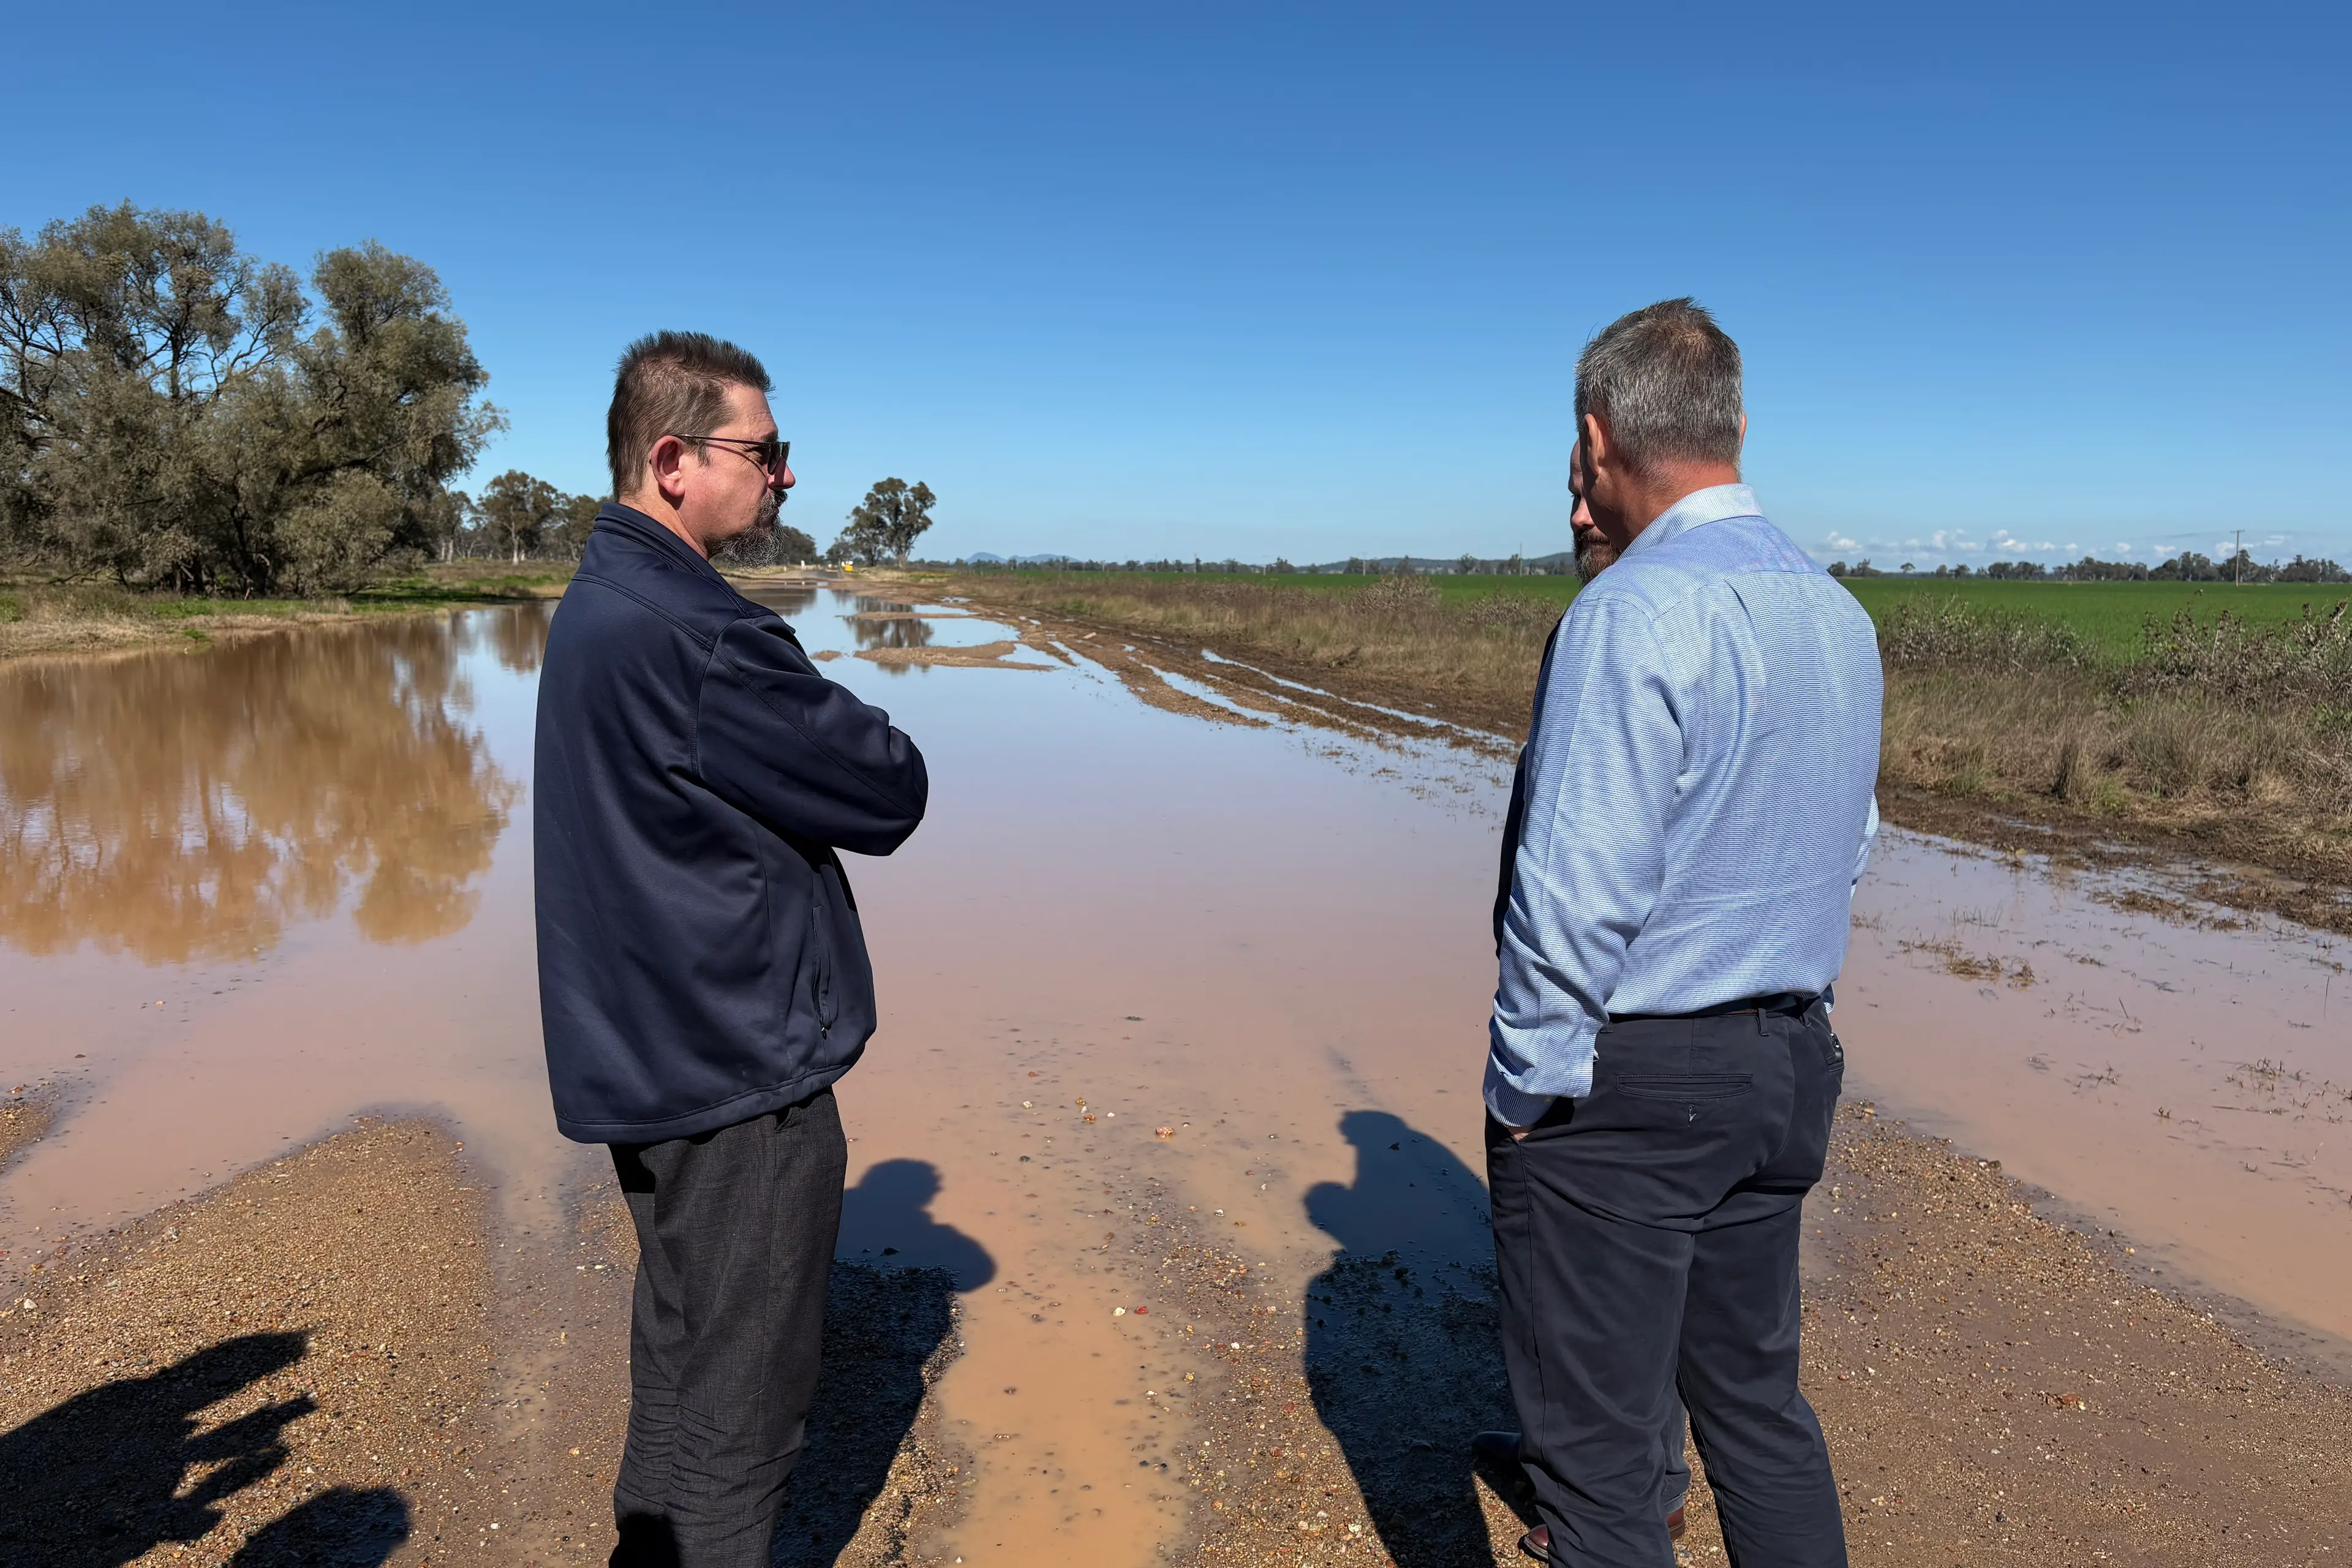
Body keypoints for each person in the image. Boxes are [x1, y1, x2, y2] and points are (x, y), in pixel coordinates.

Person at [1478, 299, 1880, 1567]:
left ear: (1597, 440)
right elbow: (1851, 840)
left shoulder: (1628, 612)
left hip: (1638, 1078)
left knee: (1599, 1478)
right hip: (1787, 1061)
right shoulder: (1840, 616)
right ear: (1740, 426)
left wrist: (1524, 1092)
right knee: (1759, 1415)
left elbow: (1575, 892)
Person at [533, 330, 929, 1567]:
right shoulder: (697, 629)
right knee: (743, 1424)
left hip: (646, 1064)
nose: (785, 475)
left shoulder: (600, 601)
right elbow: (888, 787)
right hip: (737, 1075)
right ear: (670, 460)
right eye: (764, 451)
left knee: (678, 1362)